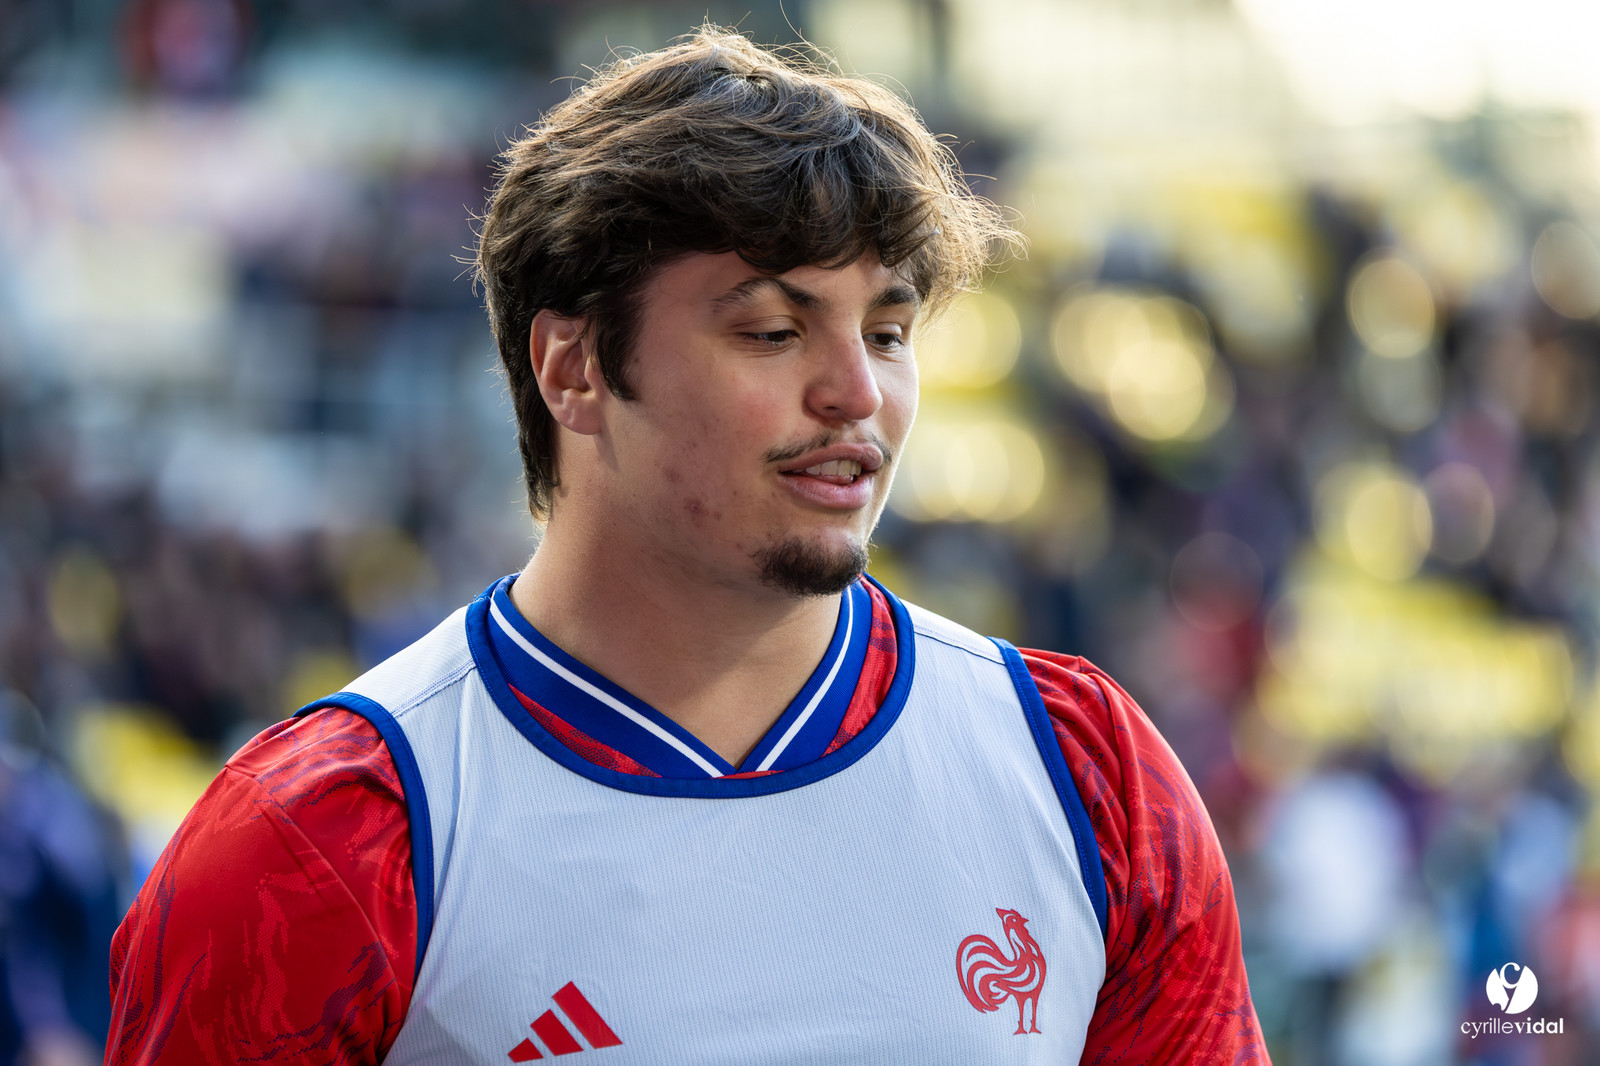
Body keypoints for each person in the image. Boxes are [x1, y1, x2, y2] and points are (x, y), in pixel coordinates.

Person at [107, 26, 1267, 1064]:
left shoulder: (1088, 775)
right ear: (572, 366)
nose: (856, 391)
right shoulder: (324, 839)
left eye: (889, 330)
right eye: (771, 329)